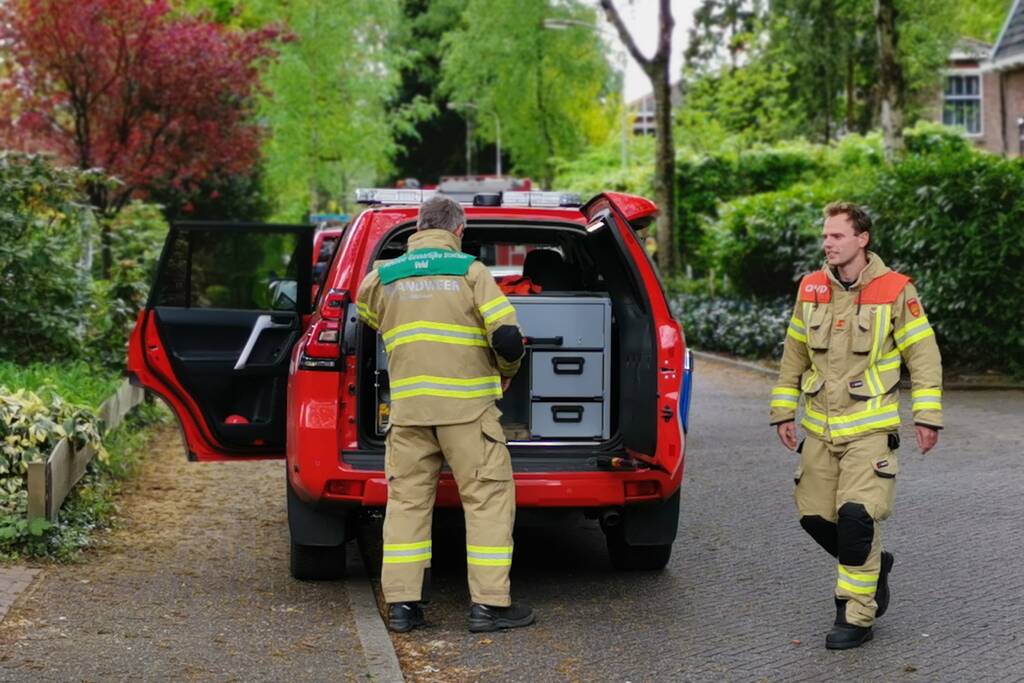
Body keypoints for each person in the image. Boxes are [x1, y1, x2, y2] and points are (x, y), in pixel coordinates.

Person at [356, 194, 535, 634]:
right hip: (467, 413)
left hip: (410, 414)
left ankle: (402, 608)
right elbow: (508, 337)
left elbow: (367, 315)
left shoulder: (382, 276)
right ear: (458, 231)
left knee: (406, 504)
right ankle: (489, 607)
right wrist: (505, 372)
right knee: (488, 501)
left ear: (419, 226)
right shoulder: (471, 272)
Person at [769, 201, 943, 650]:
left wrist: (927, 416)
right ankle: (875, 565)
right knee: (813, 518)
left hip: (869, 431)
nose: (827, 243)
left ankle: (855, 614)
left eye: (837, 236)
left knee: (856, 520)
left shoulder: (895, 289)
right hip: (820, 431)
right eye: (825, 236)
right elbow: (794, 355)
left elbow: (922, 357)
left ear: (862, 239)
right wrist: (783, 411)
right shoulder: (810, 289)